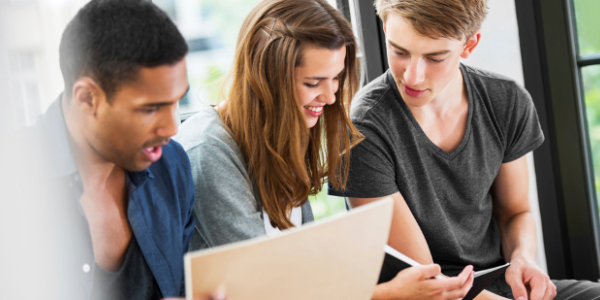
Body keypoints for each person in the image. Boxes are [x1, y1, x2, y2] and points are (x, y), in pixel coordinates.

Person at [176, 0, 473, 299]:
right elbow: (265, 290)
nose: (330, 97)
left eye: (335, 78)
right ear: (265, 78)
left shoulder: (280, 135)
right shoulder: (208, 151)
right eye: (313, 82)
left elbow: (301, 274)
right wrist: (385, 294)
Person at [329, 0, 600, 299]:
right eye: (400, 51)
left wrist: (522, 258)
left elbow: (514, 214)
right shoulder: (362, 128)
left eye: (435, 57)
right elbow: (427, 281)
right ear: (385, 30)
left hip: (496, 288)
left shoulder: (505, 101)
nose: (413, 76)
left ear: (469, 45)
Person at [23, 0, 225, 299]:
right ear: (87, 98)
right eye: (150, 109)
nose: (172, 128)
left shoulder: (171, 165)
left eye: (176, 102)